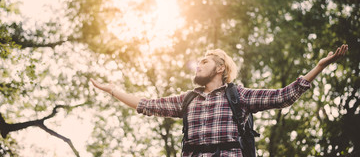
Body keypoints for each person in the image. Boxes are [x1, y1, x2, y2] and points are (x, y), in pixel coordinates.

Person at [90, 44, 348, 157]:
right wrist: (113, 90)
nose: (198, 65)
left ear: (219, 68)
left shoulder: (239, 96)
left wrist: (319, 67)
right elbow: (146, 105)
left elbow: (283, 97)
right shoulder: (187, 100)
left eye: (205, 61)